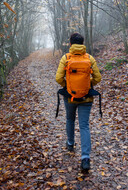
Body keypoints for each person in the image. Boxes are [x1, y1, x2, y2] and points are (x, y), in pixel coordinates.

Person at [55, 33, 101, 171]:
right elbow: (98, 78)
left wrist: (68, 86)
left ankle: (70, 143)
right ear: (83, 44)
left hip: (69, 97)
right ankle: (85, 158)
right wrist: (87, 85)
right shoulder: (90, 58)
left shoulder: (66, 58)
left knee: (70, 119)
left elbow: (58, 78)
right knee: (84, 126)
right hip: (86, 98)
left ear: (70, 44)